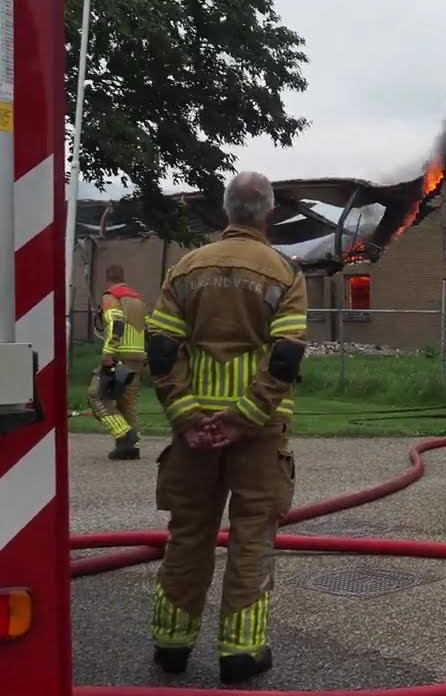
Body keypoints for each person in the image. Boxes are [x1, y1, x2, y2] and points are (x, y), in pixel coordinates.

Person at [144, 171, 306, 685]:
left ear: (227, 211)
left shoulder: (187, 268)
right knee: (252, 536)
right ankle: (240, 652)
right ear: (269, 214)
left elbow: (161, 348)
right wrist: (244, 418)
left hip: (192, 436)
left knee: (188, 533)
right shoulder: (284, 273)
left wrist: (188, 415)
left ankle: (172, 644)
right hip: (256, 434)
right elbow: (286, 354)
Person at [87, 264, 149, 460]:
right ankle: (131, 448)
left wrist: (108, 352)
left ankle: (124, 434)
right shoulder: (138, 299)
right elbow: (148, 326)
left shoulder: (111, 296)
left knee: (96, 395)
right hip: (138, 356)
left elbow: (117, 323)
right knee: (128, 402)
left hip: (119, 355)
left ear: (107, 278)